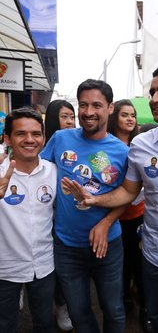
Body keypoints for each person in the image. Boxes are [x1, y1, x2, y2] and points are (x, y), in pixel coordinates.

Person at [62, 65, 158, 332]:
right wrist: (94, 200)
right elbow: (129, 192)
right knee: (157, 320)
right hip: (153, 255)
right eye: (153, 92)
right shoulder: (140, 145)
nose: (155, 98)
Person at [42, 79, 128, 333]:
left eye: (97, 105)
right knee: (78, 312)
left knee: (114, 309)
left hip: (108, 246)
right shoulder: (60, 139)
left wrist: (106, 222)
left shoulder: (121, 151)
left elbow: (127, 195)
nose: (88, 112)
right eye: (83, 105)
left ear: (110, 108)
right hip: (66, 247)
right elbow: (37, 172)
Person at [0, 107, 57, 333]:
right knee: (6, 325)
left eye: (36, 134)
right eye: (21, 134)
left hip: (44, 266)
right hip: (5, 269)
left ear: (43, 137)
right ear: (7, 138)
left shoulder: (53, 171)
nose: (30, 139)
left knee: (44, 323)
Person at [107, 99, 149, 329]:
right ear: (115, 118)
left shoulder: (141, 144)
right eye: (125, 115)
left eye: (133, 115)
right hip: (112, 217)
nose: (130, 119)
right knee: (118, 265)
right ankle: (123, 300)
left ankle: (144, 306)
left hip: (138, 215)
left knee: (139, 263)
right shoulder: (106, 144)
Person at [44, 99, 75, 331]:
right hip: (47, 216)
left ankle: (65, 304)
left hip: (69, 217)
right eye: (64, 117)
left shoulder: (77, 144)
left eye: (71, 116)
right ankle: (58, 305)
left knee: (65, 267)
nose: (70, 121)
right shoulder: (46, 144)